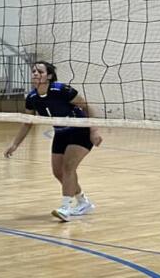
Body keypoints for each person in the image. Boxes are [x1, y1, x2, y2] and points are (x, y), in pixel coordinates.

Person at [5, 61, 102, 220]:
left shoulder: (61, 90)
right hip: (60, 132)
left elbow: (86, 107)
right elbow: (28, 122)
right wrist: (15, 144)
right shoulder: (32, 97)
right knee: (58, 172)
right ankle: (83, 202)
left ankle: (65, 208)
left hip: (80, 129)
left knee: (69, 166)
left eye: (40, 71)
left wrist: (94, 130)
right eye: (34, 71)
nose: (35, 74)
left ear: (49, 76)